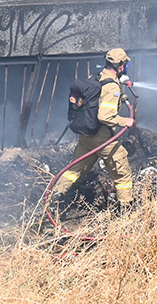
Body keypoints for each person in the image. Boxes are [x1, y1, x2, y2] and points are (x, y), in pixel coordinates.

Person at [52, 48, 136, 211]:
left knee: (74, 170)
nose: (126, 68)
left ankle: (55, 195)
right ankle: (126, 209)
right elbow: (105, 116)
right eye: (124, 64)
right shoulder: (112, 87)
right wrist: (125, 121)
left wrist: (119, 99)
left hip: (86, 137)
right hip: (103, 141)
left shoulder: (96, 77)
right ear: (120, 66)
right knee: (123, 174)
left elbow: (97, 99)